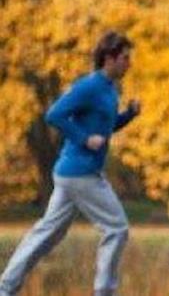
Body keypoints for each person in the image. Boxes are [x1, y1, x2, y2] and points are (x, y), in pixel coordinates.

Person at [0, 31, 141, 296]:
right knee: (117, 228)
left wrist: (129, 115)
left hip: (73, 174)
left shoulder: (110, 90)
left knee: (47, 234)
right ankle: (104, 291)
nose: (128, 63)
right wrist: (84, 138)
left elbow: (106, 128)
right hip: (81, 172)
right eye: (124, 58)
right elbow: (54, 114)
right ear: (109, 58)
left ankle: (5, 288)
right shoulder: (89, 86)